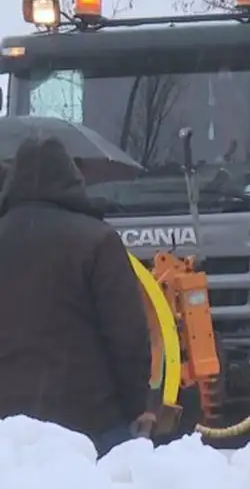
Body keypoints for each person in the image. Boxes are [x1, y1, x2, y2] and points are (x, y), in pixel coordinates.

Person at [0, 135, 154, 457]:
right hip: (89, 424)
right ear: (73, 181)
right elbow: (128, 338)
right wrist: (134, 408)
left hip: (7, 431)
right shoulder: (98, 241)